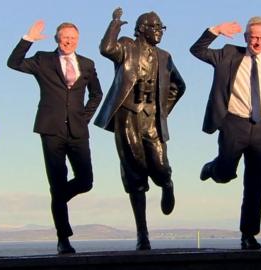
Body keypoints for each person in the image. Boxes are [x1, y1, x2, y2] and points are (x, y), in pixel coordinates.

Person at [190, 17, 261, 250]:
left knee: (255, 184)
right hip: (232, 125)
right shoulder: (228, 54)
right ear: (246, 37)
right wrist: (215, 30)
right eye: (254, 37)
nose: (258, 42)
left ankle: (248, 235)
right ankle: (213, 168)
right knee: (226, 172)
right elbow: (196, 50)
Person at [7, 20, 103, 254]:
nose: (69, 41)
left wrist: (84, 117)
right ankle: (63, 238)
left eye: (73, 37)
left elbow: (97, 94)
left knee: (85, 181)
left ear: (78, 40)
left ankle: (57, 198)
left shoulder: (88, 64)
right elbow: (14, 63)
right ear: (57, 39)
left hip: (78, 131)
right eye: (65, 37)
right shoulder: (43, 60)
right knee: (57, 181)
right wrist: (27, 39)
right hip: (51, 129)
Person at [94, 8, 185, 250]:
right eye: (155, 27)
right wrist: (114, 24)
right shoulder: (126, 46)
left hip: (152, 119)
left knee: (160, 166)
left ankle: (167, 184)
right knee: (135, 173)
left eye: (161, 28)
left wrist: (162, 109)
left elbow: (178, 85)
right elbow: (106, 49)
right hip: (127, 117)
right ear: (142, 29)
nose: (159, 32)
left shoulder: (165, 57)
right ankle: (142, 233)